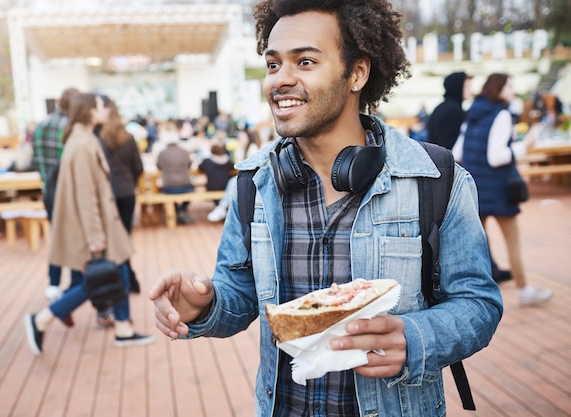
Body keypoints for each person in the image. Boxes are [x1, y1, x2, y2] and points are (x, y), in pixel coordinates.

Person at [150, 1, 503, 416]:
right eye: (273, 64)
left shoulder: (437, 178)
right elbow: (242, 299)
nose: (281, 80)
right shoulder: (252, 183)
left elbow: (478, 303)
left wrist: (416, 336)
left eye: (305, 61)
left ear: (357, 73)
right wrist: (205, 306)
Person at [24, 93, 154, 355]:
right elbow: (86, 194)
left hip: (103, 222)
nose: (106, 109)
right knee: (100, 279)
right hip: (100, 224)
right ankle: (43, 318)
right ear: (90, 112)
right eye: (100, 106)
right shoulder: (83, 143)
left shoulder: (82, 139)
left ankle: (123, 329)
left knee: (117, 273)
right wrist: (95, 234)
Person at [453, 73, 554, 306]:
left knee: (474, 245)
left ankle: (472, 297)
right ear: (498, 89)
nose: (513, 90)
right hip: (498, 190)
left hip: (475, 189)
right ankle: (525, 292)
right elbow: (496, 156)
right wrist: (524, 146)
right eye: (510, 85)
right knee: (513, 241)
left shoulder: (473, 112)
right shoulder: (502, 114)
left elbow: (457, 152)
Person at [428, 71, 512, 284]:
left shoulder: (441, 109)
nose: (470, 90)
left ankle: (488, 269)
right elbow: (453, 150)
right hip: (450, 175)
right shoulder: (455, 112)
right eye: (466, 85)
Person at [31, 87, 80, 307]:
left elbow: (35, 160)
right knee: (75, 241)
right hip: (68, 193)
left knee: (56, 238)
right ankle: (74, 289)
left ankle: (53, 284)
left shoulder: (41, 126)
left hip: (48, 192)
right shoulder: (70, 128)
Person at [97, 95, 144, 296]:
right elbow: (138, 167)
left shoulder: (98, 139)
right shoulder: (128, 138)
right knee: (125, 237)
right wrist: (130, 182)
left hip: (107, 193)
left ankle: (120, 280)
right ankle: (129, 278)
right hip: (126, 192)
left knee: (110, 240)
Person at [156, 133, 194, 225]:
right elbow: (189, 164)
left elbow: (158, 166)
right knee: (191, 191)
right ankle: (182, 210)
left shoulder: (162, 153)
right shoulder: (184, 151)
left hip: (168, 186)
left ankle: (178, 211)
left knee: (167, 194)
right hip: (186, 185)